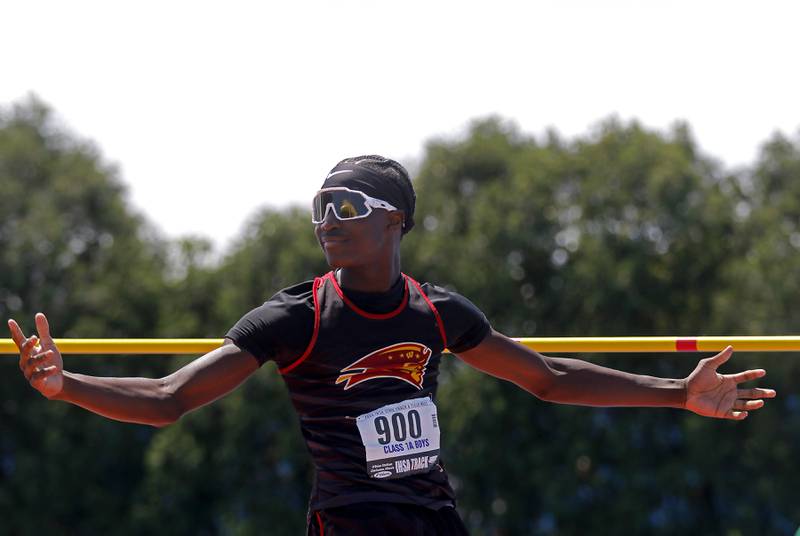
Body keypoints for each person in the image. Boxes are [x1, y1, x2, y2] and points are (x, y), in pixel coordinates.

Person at [8, 155, 777, 535]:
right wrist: (65, 385)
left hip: (433, 520)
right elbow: (169, 401)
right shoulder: (294, 317)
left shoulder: (436, 312)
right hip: (350, 522)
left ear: (394, 221)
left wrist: (677, 393)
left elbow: (547, 378)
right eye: (318, 209)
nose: (327, 220)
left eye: (346, 205)